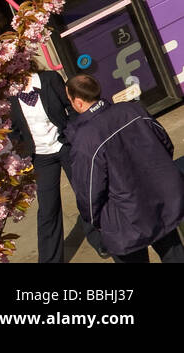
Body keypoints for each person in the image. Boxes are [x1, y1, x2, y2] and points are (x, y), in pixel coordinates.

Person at [66, 73, 184, 263]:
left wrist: (98, 222)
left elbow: (89, 195)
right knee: (175, 255)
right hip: (159, 203)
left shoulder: (85, 139)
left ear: (78, 102)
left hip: (123, 220)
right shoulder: (132, 110)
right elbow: (166, 144)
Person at [9, 62, 108, 262]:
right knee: (47, 209)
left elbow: (70, 107)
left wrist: (71, 134)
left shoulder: (49, 79)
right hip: (41, 156)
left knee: (86, 194)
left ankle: (102, 240)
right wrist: (22, 148)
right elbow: (13, 129)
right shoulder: (8, 95)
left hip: (65, 146)